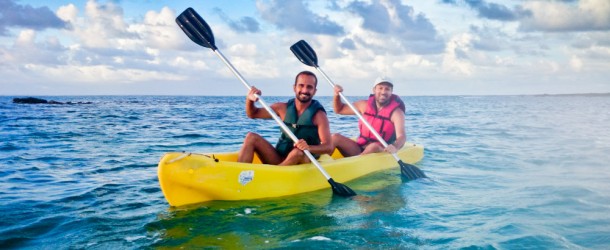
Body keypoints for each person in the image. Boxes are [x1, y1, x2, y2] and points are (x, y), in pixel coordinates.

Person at [237, 71, 334, 165]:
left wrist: (308, 147)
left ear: (314, 91)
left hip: (302, 161)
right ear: (294, 87)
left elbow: (328, 146)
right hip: (280, 158)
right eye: (301, 85)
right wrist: (250, 100)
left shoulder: (319, 115)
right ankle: (238, 176)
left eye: (309, 87)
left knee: (297, 152)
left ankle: (274, 176)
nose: (304, 90)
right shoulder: (281, 108)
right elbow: (253, 114)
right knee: (251, 137)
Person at [332, 76, 406, 157]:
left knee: (373, 147)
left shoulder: (397, 113)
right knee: (335, 137)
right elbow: (339, 110)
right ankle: (320, 161)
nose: (383, 92)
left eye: (387, 89)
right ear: (374, 90)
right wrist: (336, 95)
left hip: (380, 150)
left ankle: (357, 164)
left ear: (391, 91)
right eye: (380, 88)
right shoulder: (364, 105)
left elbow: (402, 136)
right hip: (359, 148)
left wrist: (395, 147)